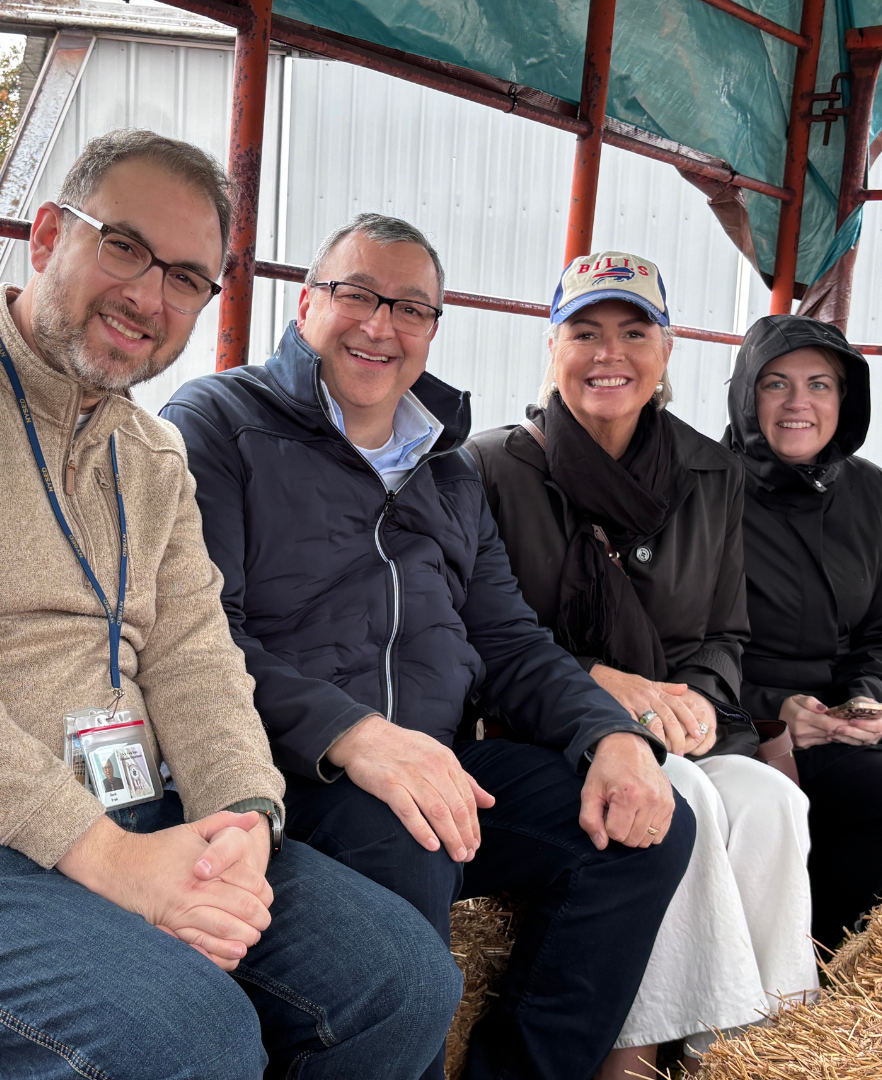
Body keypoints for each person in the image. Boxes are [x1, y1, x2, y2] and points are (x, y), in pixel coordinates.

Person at [0, 132, 462, 1080]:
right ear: (45, 237)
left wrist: (246, 825)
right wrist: (113, 863)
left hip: (119, 810)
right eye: (124, 246)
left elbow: (198, 660)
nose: (150, 297)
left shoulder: (150, 456)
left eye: (189, 278)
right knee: (186, 1039)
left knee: (403, 979)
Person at [162, 215, 696, 1080]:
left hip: (433, 767)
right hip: (286, 771)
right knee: (408, 830)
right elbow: (197, 636)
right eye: (358, 296)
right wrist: (354, 736)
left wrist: (614, 739)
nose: (381, 326)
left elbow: (509, 642)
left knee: (646, 830)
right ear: (305, 306)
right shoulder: (221, 422)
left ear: (434, 330)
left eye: (411, 308)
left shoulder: (449, 469)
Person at [467, 252, 818, 1077]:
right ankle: (637, 1054)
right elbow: (481, 638)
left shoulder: (712, 472)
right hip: (548, 732)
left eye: (634, 332)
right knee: (677, 798)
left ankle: (741, 1048)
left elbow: (726, 631)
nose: (608, 354)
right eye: (584, 332)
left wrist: (693, 701)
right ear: (550, 347)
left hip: (677, 725)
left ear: (667, 353)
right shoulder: (489, 468)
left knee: (772, 801)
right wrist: (598, 684)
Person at [724, 313, 882, 951]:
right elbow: (677, 642)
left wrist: (869, 696)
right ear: (745, 394)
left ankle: (833, 982)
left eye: (820, 384)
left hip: (843, 725)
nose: (799, 403)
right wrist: (774, 712)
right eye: (776, 384)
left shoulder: (870, 491)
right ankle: (803, 985)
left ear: (844, 400)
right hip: (741, 723)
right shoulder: (706, 487)